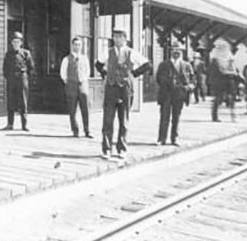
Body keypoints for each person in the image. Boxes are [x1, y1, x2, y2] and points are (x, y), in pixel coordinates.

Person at [95, 27, 151, 159]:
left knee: (123, 120)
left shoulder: (131, 52)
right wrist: (105, 74)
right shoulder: (108, 52)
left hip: (125, 89)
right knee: (108, 119)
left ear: (125, 38)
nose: (117, 39)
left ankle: (122, 149)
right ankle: (106, 149)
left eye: (120, 37)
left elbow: (147, 65)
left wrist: (133, 74)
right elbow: (98, 64)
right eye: (115, 37)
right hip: (111, 88)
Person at [155, 42, 194, 146]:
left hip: (180, 95)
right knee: (164, 117)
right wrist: (168, 84)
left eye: (179, 50)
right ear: (170, 51)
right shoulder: (163, 65)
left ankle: (174, 139)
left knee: (176, 117)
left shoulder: (187, 65)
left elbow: (193, 80)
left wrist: (189, 87)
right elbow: (158, 78)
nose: (176, 52)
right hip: (166, 94)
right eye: (174, 50)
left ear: (182, 52)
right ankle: (161, 139)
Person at [60, 37, 92, 138]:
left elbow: (87, 71)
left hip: (82, 85)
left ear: (81, 46)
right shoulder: (66, 59)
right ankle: (75, 130)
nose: (77, 47)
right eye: (75, 45)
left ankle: (87, 130)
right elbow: (63, 73)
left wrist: (83, 79)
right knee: (72, 109)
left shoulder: (84, 58)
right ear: (72, 45)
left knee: (85, 108)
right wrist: (68, 81)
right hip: (71, 85)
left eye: (79, 45)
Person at [2, 32, 34, 131]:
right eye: (14, 42)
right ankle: (10, 124)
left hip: (22, 79)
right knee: (10, 102)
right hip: (11, 79)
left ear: (21, 43)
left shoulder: (26, 53)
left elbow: (31, 67)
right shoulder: (8, 54)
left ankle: (24, 125)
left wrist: (24, 77)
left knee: (23, 102)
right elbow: (5, 68)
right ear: (11, 43)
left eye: (18, 42)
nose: (16, 43)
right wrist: (9, 77)